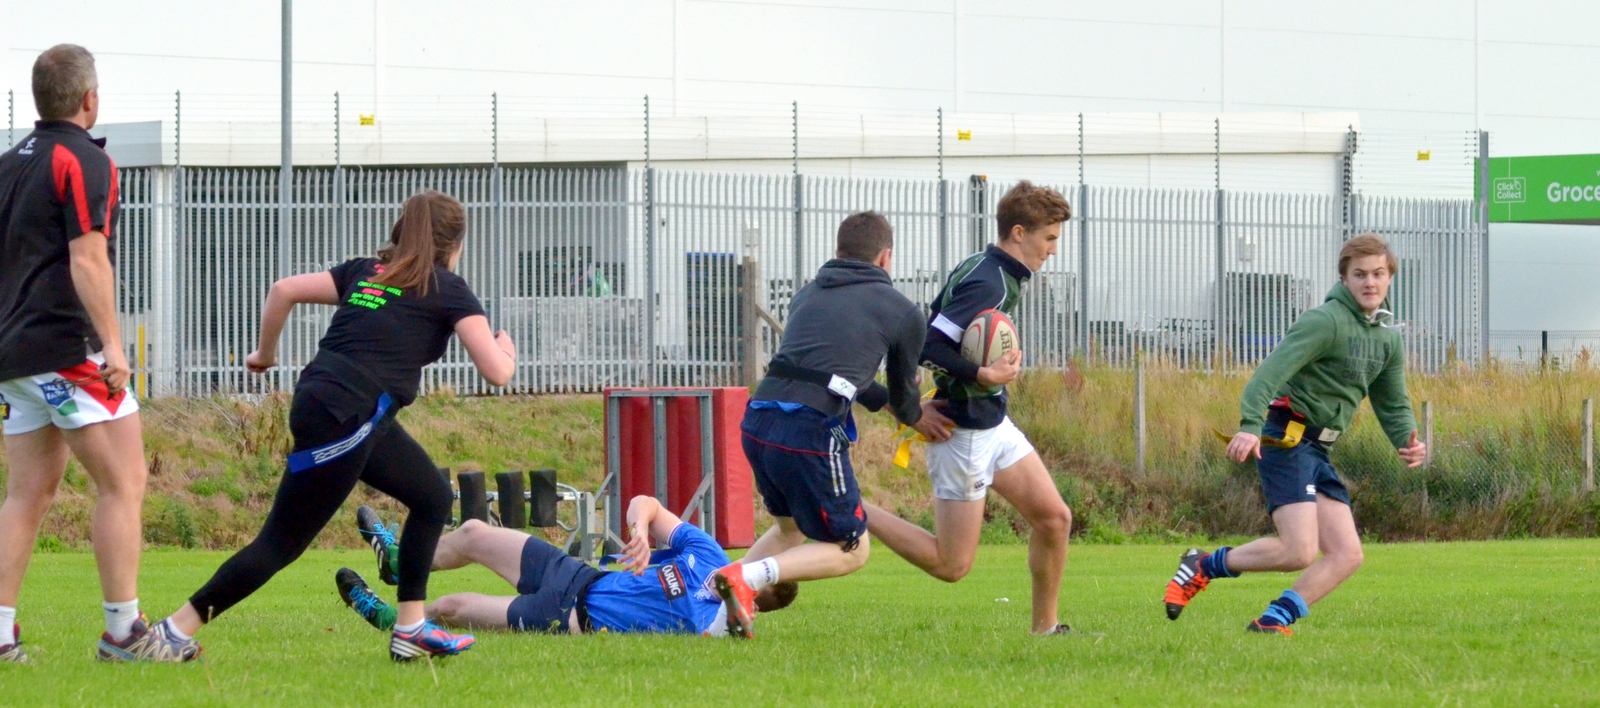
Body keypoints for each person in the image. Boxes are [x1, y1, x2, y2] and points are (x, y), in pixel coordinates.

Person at [150, 189, 519, 661]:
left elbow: (283, 290)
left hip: (336, 403)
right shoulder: (448, 288)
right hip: (348, 416)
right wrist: (505, 349)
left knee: (431, 497)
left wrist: (265, 354)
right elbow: (497, 372)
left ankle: (410, 628)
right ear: (454, 244)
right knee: (280, 543)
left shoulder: (366, 272)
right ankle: (170, 633)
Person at [0, 44, 191, 663]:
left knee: (27, 493)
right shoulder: (84, 159)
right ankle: (124, 633)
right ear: (90, 98)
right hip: (66, 348)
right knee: (124, 482)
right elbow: (87, 258)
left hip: (14, 354)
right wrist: (113, 344)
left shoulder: (8, 164)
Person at [1164, 234, 1427, 635]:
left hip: (1318, 450)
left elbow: (1392, 400)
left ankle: (1273, 620)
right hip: (1287, 437)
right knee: (1298, 550)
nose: (1369, 282)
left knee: (1347, 554)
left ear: (1390, 277)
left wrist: (1407, 439)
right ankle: (1202, 565)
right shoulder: (1325, 321)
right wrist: (1250, 427)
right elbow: (1268, 376)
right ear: (1344, 278)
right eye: (1359, 274)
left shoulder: (1387, 337)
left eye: (1378, 274)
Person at [860, 181, 1077, 635]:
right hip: (963, 433)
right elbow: (928, 344)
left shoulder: (990, 268)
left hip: (992, 423)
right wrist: (982, 374)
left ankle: (1046, 629)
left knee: (1055, 520)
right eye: (1049, 238)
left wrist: (986, 379)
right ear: (1019, 233)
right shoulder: (988, 280)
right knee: (952, 565)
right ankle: (852, 506)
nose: (1053, 250)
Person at [717, 211, 934, 637]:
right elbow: (907, 404)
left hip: (758, 419)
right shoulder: (903, 311)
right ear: (886, 258)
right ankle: (746, 577)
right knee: (852, 549)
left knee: (789, 530)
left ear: (838, 251)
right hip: (810, 428)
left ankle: (710, 607)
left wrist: (890, 403)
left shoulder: (808, 294)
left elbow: (833, 372)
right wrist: (920, 415)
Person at [338, 498, 799, 637]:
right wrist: (640, 530)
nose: (740, 573)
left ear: (753, 602)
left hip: (566, 617)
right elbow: (647, 503)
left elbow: (729, 634)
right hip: (574, 574)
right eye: (751, 568)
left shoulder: (713, 624)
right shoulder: (710, 555)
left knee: (449, 608)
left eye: (752, 581)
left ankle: (387, 618)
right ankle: (397, 563)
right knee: (474, 532)